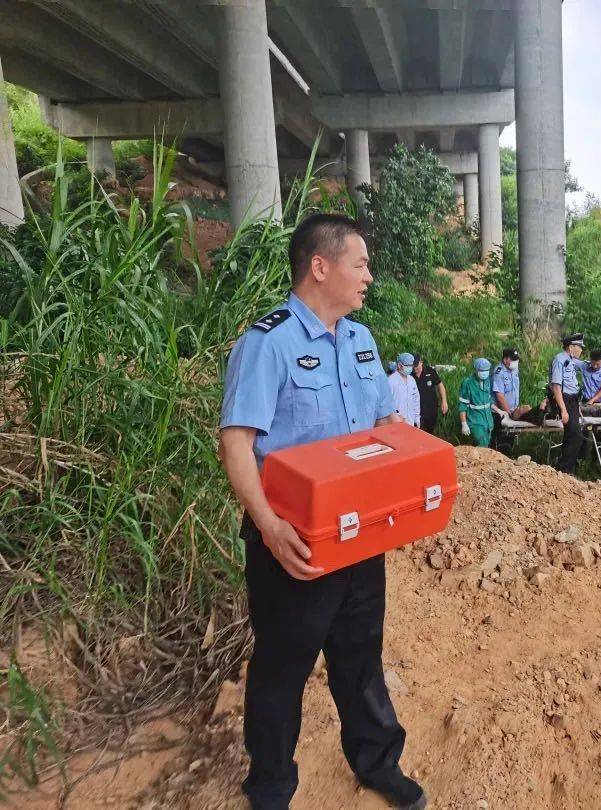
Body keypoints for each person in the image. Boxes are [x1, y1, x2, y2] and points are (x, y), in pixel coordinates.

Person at [218, 213, 426, 810]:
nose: (368, 276)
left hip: (359, 537)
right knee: (283, 668)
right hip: (294, 542)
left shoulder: (361, 341)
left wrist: (415, 474)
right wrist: (270, 527)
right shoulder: (267, 343)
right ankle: (271, 787)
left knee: (361, 658)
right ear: (320, 267)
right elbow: (237, 444)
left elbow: (386, 425)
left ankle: (378, 762)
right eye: (360, 263)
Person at [549, 333, 587, 474]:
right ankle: (563, 468)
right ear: (571, 347)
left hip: (572, 401)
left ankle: (566, 468)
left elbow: (573, 387)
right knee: (575, 434)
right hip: (563, 400)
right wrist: (563, 410)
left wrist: (577, 407)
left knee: (572, 435)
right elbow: (557, 386)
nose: (581, 350)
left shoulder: (570, 360)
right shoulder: (559, 360)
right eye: (579, 347)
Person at [459, 357, 494, 447]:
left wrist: (500, 411)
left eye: (486, 370)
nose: (484, 373)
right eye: (482, 370)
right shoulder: (468, 383)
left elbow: (489, 401)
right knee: (482, 443)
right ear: (476, 370)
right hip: (476, 421)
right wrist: (464, 423)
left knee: (486, 443)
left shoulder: (487, 381)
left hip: (488, 420)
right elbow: (463, 404)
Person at [412, 354, 447, 434]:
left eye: (416, 365)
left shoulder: (430, 371)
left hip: (431, 408)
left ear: (421, 362)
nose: (414, 368)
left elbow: (440, 385)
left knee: (430, 432)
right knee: (419, 431)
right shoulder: (410, 374)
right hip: (417, 410)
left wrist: (444, 401)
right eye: (412, 366)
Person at [387, 352, 421, 427]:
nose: (410, 368)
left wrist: (417, 418)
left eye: (411, 366)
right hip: (396, 422)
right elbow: (388, 403)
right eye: (408, 366)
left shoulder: (412, 380)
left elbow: (416, 399)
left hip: (411, 421)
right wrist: (397, 416)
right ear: (399, 365)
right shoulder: (391, 381)